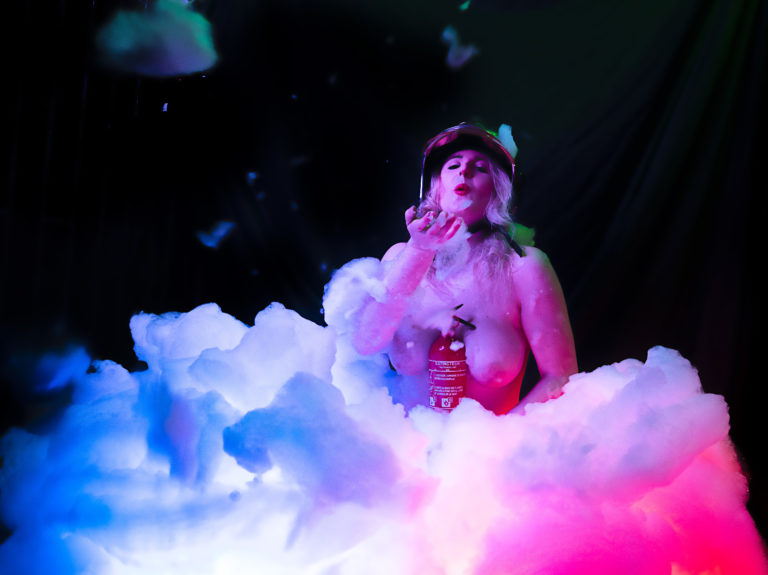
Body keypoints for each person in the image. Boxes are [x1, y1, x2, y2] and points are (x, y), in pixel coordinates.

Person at [349, 123, 577, 414]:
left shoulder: (523, 267)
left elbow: (561, 377)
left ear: (499, 191)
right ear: (434, 186)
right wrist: (419, 250)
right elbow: (364, 342)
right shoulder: (400, 256)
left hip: (496, 441)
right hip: (403, 440)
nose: (464, 171)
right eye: (453, 165)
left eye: (480, 168)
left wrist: (502, 436)